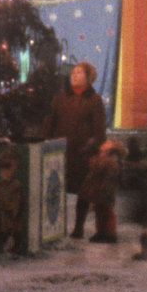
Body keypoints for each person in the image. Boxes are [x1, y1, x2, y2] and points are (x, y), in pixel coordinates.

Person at [48, 62, 109, 236]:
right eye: (73, 72)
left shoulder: (94, 100)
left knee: (84, 192)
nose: (74, 75)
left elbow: (99, 129)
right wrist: (46, 141)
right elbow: (50, 121)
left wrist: (98, 149)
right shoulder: (60, 97)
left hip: (83, 154)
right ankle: (55, 225)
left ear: (88, 77)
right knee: (56, 188)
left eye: (79, 72)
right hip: (60, 152)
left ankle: (78, 226)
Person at [83, 139, 125, 244]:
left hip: (106, 189)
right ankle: (101, 231)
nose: (104, 143)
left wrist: (103, 189)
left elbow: (108, 177)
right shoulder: (100, 158)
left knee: (107, 210)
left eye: (107, 143)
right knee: (99, 210)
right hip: (98, 189)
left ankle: (110, 232)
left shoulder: (111, 161)